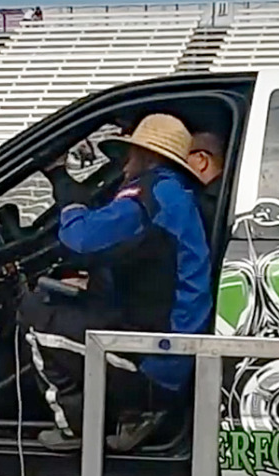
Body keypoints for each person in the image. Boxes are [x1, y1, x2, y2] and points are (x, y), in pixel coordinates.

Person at [19, 114, 211, 451]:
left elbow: (82, 237)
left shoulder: (149, 195)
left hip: (157, 368)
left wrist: (64, 187)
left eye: (128, 155)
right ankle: (128, 411)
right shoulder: (176, 194)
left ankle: (79, 427)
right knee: (70, 305)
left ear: (145, 156)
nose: (123, 166)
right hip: (171, 352)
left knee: (35, 316)